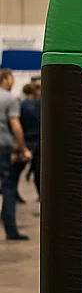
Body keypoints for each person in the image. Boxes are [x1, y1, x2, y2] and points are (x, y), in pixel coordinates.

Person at [0, 68, 31, 240]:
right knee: (9, 188)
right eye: (11, 78)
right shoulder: (10, 99)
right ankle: (11, 229)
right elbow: (16, 126)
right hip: (3, 149)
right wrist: (22, 148)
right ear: (5, 79)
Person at [18, 81, 41, 199]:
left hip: (31, 141)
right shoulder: (33, 105)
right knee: (37, 171)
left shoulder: (24, 104)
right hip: (34, 141)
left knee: (35, 170)